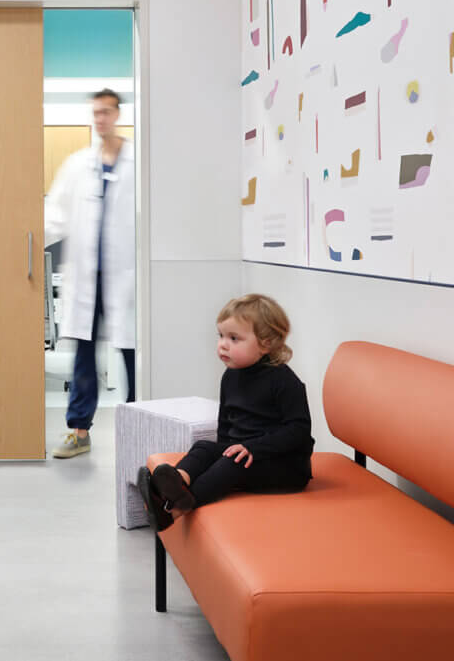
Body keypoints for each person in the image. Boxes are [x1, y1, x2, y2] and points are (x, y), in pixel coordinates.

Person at [136, 294, 313, 531]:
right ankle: (177, 482)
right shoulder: (231, 376)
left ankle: (175, 510)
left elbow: (299, 431)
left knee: (233, 462)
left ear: (266, 344)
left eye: (234, 338)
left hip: (284, 466)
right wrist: (219, 454)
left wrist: (252, 448)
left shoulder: (284, 381)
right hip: (245, 454)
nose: (223, 344)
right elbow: (226, 425)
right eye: (220, 336)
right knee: (204, 447)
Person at [44, 88, 136, 459]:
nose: (100, 119)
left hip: (125, 276)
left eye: (106, 112)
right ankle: (79, 431)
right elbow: (55, 215)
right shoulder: (77, 165)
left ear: (117, 114)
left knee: (132, 351)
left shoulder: (137, 163)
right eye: (95, 113)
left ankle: (140, 427)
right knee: (84, 353)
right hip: (88, 278)